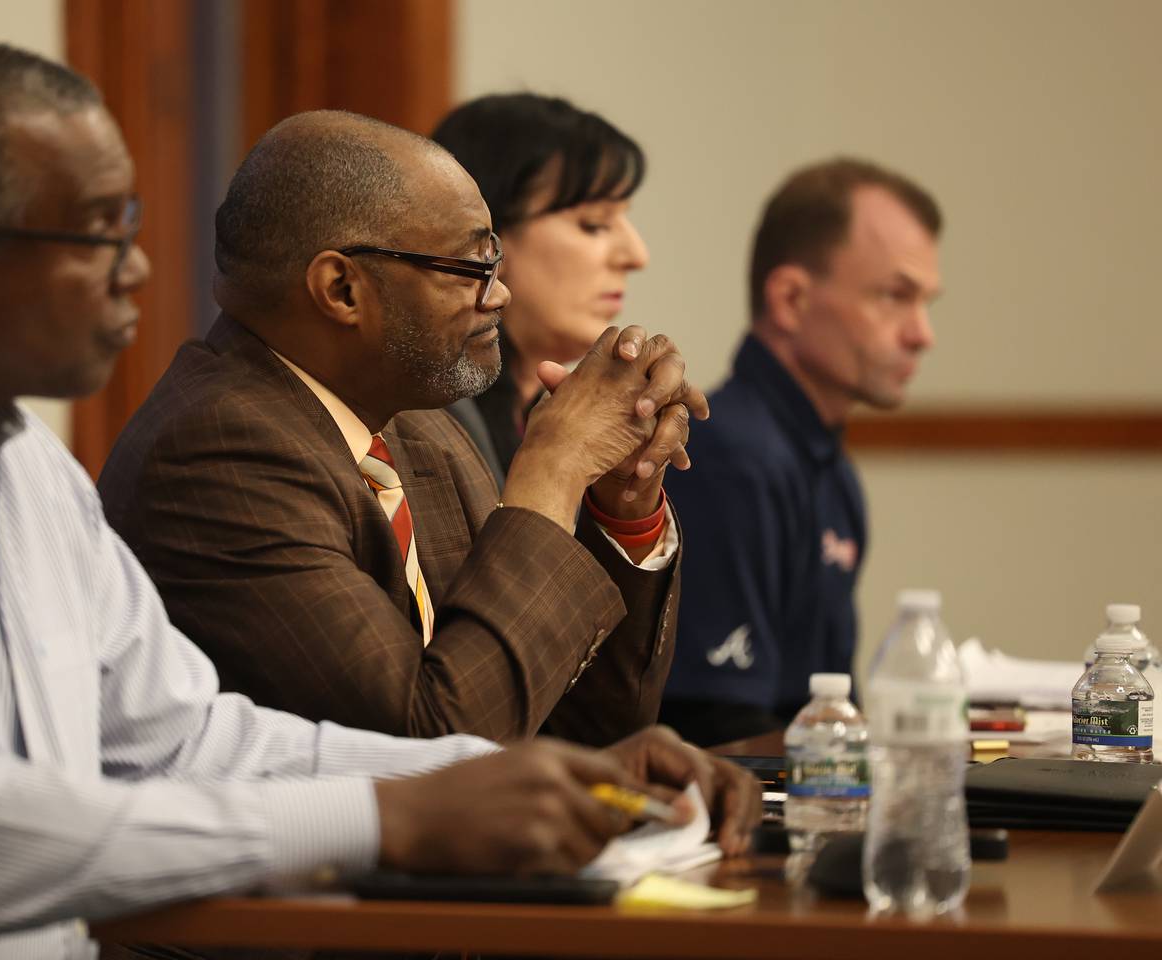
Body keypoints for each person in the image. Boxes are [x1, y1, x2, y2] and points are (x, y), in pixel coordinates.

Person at [0, 42, 760, 957]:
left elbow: (183, 738)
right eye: (94, 235)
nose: (135, 270)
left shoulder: (17, 459)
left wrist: (538, 779)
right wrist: (386, 819)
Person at [98, 109, 703, 746]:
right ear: (342, 289)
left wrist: (621, 504)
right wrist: (552, 470)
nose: (499, 295)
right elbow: (435, 748)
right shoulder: (215, 454)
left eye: (495, 262)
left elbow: (581, 732)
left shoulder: (418, 425)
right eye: (471, 268)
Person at [657, 158, 943, 746]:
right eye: (895, 296)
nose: (922, 334)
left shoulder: (827, 466)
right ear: (790, 299)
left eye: (926, 303)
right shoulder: (731, 459)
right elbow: (712, 731)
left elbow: (825, 706)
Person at [431, 93, 651, 486]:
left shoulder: (544, 412)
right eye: (594, 224)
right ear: (485, 237)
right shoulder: (428, 425)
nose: (637, 256)